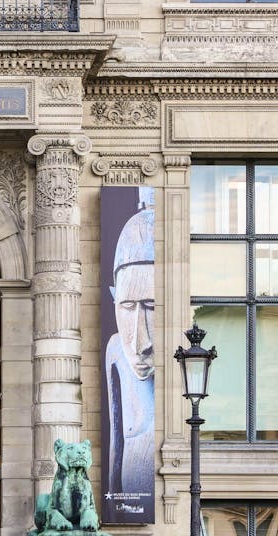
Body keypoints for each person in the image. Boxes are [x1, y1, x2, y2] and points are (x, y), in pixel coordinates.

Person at [103, 195, 155, 500]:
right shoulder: (115, 351)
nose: (140, 341)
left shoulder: (188, 363)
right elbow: (115, 449)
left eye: (151, 306)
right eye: (127, 305)